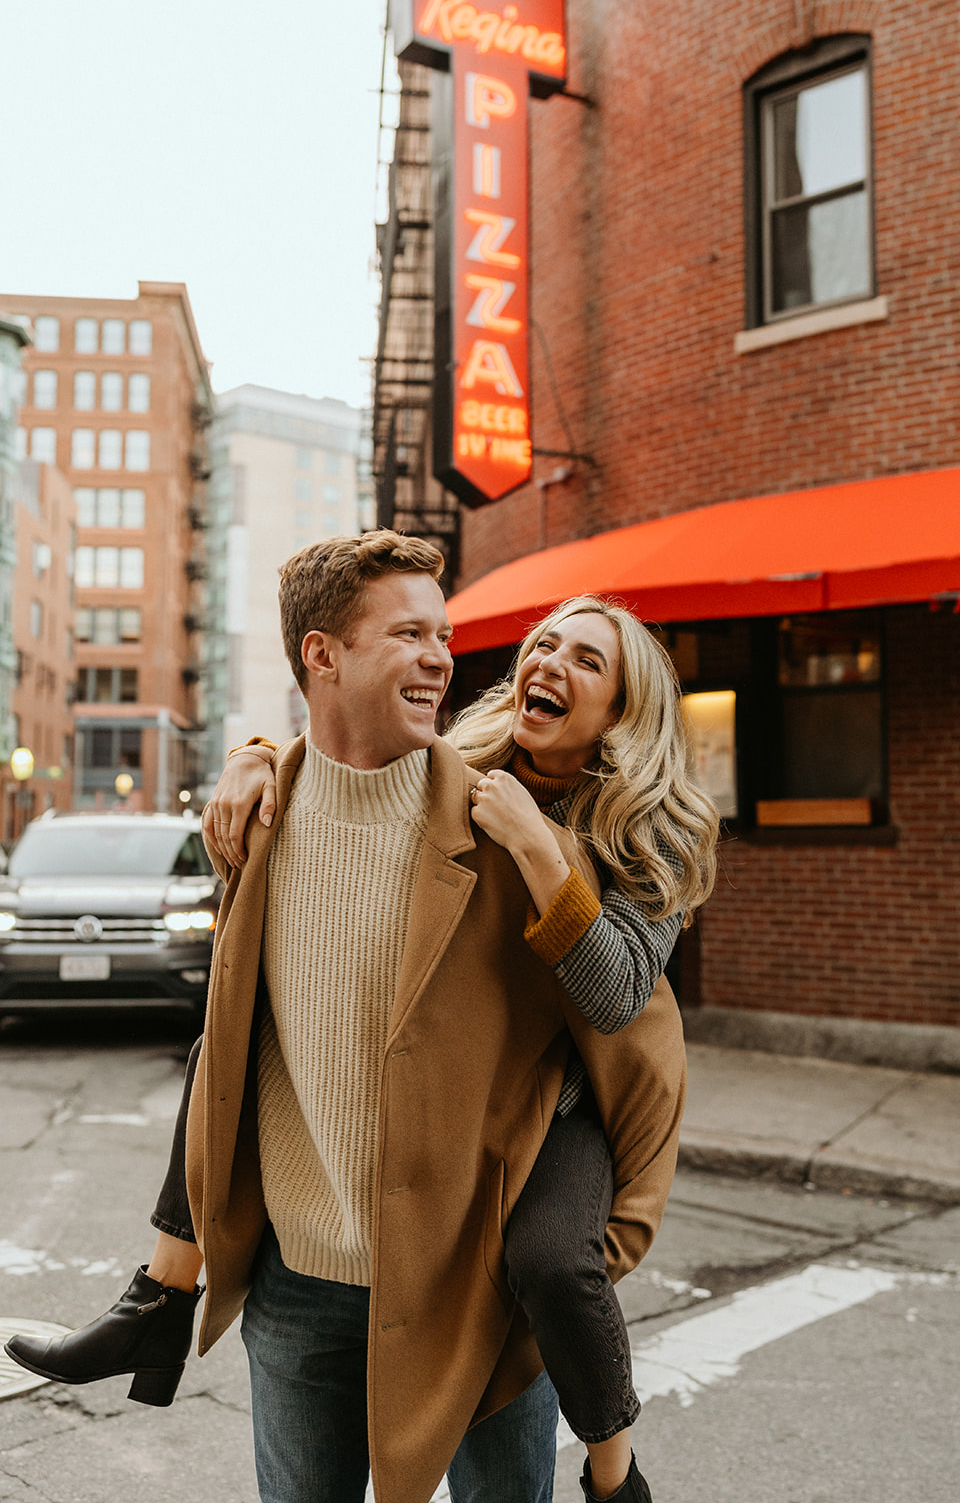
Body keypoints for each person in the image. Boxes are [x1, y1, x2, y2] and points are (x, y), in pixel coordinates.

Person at [5, 532, 688, 1503]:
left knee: (551, 1261)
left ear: (622, 711)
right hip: (299, 1274)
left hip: (548, 1118)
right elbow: (354, 758)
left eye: (589, 660)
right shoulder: (462, 771)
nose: (545, 662)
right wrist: (253, 756)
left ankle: (615, 1472)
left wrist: (540, 849)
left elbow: (618, 992)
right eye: (545, 643)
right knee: (225, 1039)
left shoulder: (641, 829)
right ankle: (157, 1291)